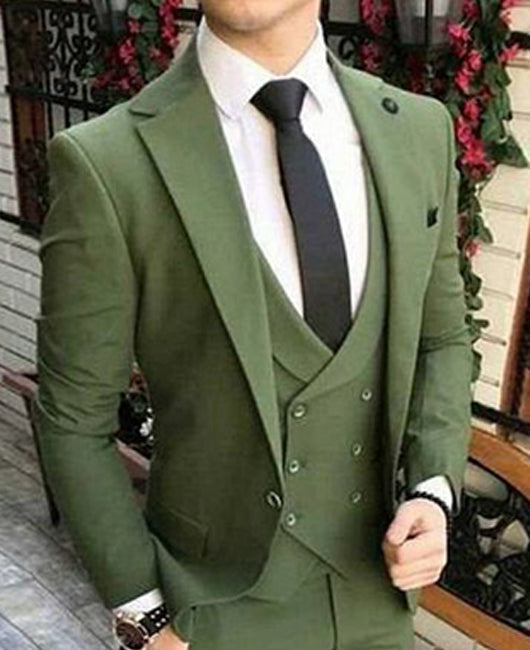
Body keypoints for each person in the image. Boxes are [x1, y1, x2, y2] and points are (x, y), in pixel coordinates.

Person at [34, 0, 474, 648]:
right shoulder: (108, 161)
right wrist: (143, 615)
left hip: (379, 599)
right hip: (208, 611)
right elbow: (73, 417)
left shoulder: (417, 130)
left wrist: (433, 490)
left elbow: (442, 337)